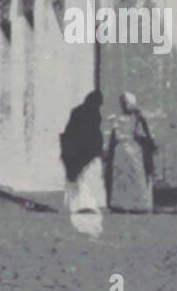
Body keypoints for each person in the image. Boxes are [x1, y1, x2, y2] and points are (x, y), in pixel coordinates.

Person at [60, 90, 105, 237]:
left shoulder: (78, 111)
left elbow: (70, 131)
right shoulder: (94, 114)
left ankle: (78, 204)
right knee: (87, 179)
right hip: (86, 151)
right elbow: (95, 134)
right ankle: (88, 205)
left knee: (78, 179)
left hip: (76, 150)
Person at [106, 91, 156, 213]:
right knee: (121, 176)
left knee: (135, 174)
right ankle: (121, 204)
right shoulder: (117, 118)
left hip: (133, 148)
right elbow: (114, 135)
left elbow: (146, 132)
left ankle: (138, 204)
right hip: (121, 149)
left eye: (125, 102)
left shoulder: (137, 118)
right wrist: (110, 149)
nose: (123, 105)